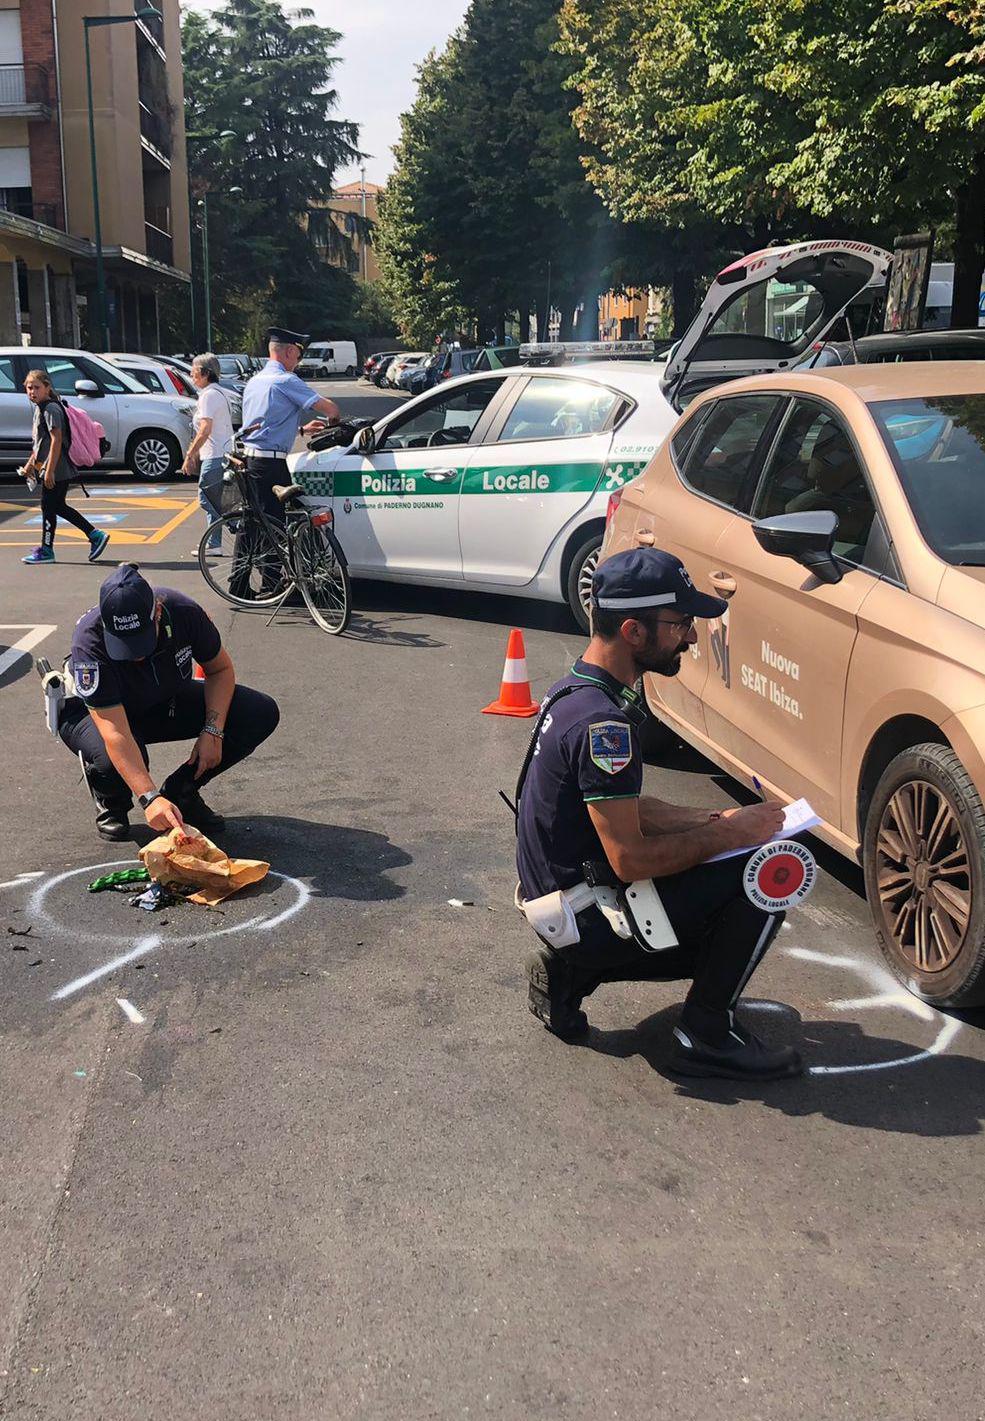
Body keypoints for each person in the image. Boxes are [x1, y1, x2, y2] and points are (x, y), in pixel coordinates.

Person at [515, 547, 803, 1082]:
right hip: (588, 910)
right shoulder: (606, 728)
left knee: (727, 855)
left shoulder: (574, 691)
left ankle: (568, 974)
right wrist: (736, 834)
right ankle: (705, 1034)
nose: (691, 637)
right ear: (633, 631)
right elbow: (628, 859)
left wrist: (708, 820)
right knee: (769, 871)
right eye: (679, 623)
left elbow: (619, 808)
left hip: (558, 898)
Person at [59, 563, 279, 842]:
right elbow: (115, 733)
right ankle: (111, 798)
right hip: (93, 714)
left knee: (258, 712)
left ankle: (181, 792)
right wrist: (149, 799)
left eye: (141, 641)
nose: (135, 656)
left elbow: (220, 670)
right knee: (118, 757)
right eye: (124, 644)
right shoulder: (88, 643)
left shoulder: (185, 612)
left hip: (159, 697)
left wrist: (213, 730)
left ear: (158, 612)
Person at [239, 327, 342, 526]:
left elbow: (265, 425)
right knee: (276, 523)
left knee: (257, 523)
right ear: (289, 351)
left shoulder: (254, 381)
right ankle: (275, 558)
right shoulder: (285, 380)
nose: (298, 361)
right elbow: (331, 409)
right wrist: (334, 423)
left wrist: (302, 430)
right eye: (298, 355)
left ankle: (249, 558)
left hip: (251, 461)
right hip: (271, 466)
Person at [19, 368, 109, 566]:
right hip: (51, 467)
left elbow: (56, 440)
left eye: (37, 387)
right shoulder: (40, 408)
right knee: (55, 506)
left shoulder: (51, 409)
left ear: (47, 388)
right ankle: (93, 535)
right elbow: (40, 443)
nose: (32, 391)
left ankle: (48, 549)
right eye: (29, 388)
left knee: (49, 507)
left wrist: (50, 471)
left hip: (58, 469)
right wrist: (30, 465)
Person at [181, 353, 235, 554]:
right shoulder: (217, 393)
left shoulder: (208, 396)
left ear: (204, 373)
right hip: (220, 453)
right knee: (215, 498)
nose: (191, 374)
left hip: (216, 455)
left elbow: (205, 429)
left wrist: (189, 454)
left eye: (194, 371)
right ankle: (214, 544)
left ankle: (234, 525)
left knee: (206, 497)